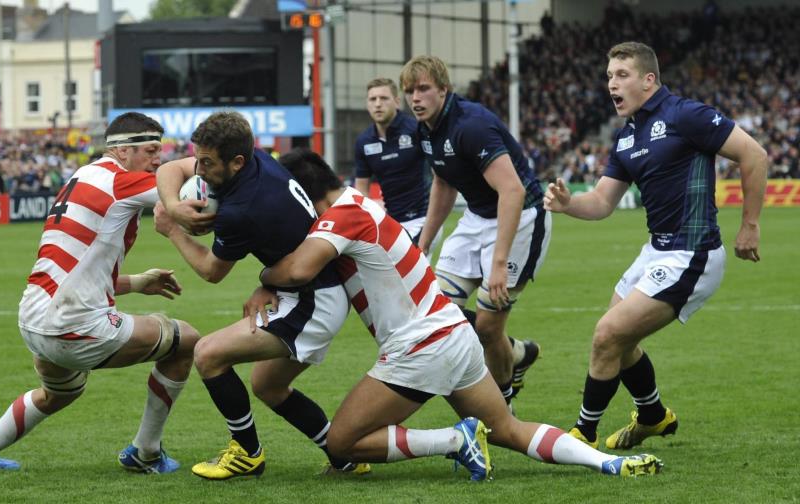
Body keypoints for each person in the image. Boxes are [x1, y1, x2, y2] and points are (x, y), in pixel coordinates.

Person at [253, 148, 662, 480]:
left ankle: (454, 440)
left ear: (300, 193)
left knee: (342, 443)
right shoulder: (356, 206)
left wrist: (264, 276)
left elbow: (299, 269)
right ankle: (605, 463)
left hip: (421, 344)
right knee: (507, 431)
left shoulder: (341, 217)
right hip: (453, 333)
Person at [543, 42, 766, 450]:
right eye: (609, 76)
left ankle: (582, 435)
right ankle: (653, 417)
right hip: (656, 251)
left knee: (607, 334)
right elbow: (601, 202)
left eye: (621, 75)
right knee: (620, 342)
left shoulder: (686, 115)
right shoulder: (627, 137)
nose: (612, 83)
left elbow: (754, 155)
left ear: (649, 80)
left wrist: (749, 226)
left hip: (692, 253)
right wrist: (568, 203)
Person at [0, 112, 202, 473]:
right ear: (122, 151)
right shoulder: (122, 183)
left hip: (33, 320)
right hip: (74, 326)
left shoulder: (81, 176)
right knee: (186, 341)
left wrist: (137, 282)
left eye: (159, 152)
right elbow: (179, 193)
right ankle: (145, 452)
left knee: (59, 393)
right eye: (150, 151)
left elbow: (76, 271)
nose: (157, 161)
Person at [154, 111, 365, 479]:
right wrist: (173, 204)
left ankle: (246, 454)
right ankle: (344, 455)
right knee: (268, 385)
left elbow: (211, 271)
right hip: (311, 287)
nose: (198, 170)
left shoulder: (242, 209)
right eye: (198, 159)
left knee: (208, 354)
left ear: (236, 162)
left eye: (207, 163)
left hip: (313, 302)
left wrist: (172, 229)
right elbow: (169, 171)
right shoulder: (255, 158)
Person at [401, 55, 545, 404]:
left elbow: (513, 190)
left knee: (488, 328)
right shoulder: (424, 129)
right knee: (437, 309)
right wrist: (424, 241)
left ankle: (503, 401)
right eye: (409, 91)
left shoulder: (471, 125)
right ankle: (517, 354)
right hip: (477, 218)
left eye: (423, 89)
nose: (415, 98)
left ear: (443, 89)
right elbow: (443, 183)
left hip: (519, 217)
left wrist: (497, 264)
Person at [353, 77, 441, 256]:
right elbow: (361, 188)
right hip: (392, 223)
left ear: (397, 102)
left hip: (425, 218)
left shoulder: (416, 129)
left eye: (384, 98)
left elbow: (439, 175)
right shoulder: (363, 141)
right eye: (373, 99)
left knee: (409, 276)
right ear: (367, 104)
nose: (378, 104)